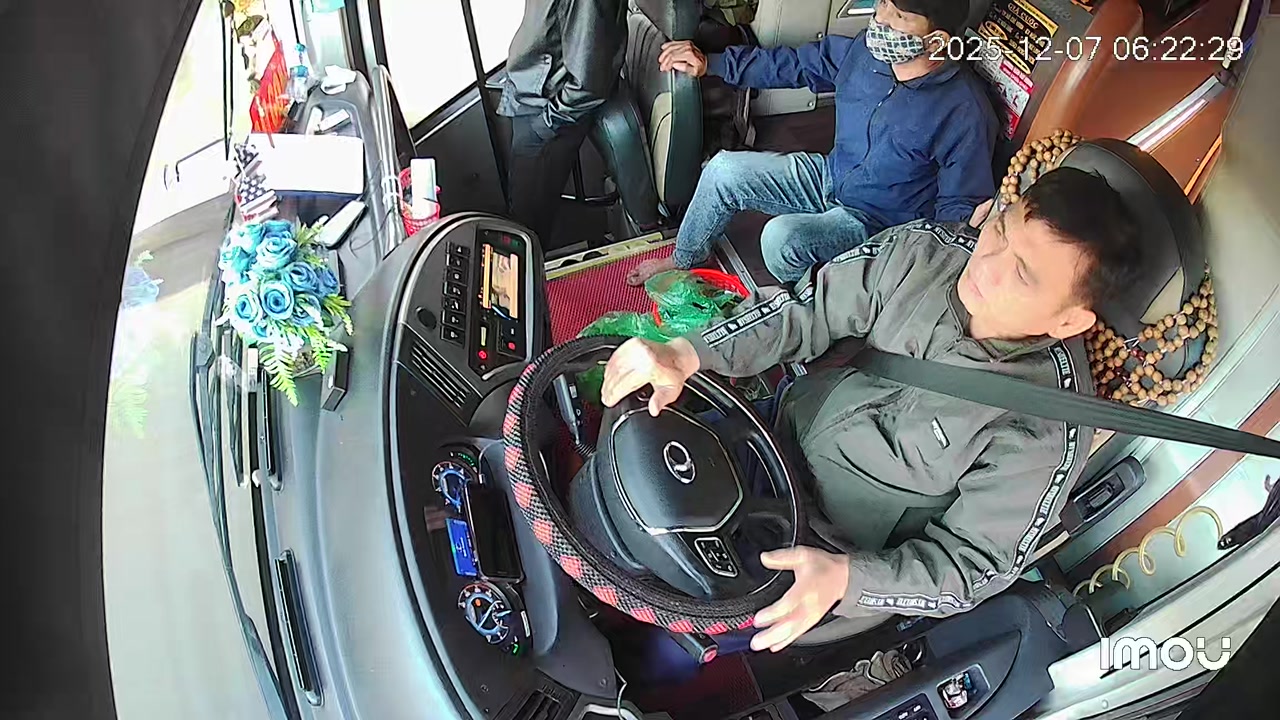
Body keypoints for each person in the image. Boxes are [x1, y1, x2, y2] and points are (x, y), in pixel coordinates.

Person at [602, 167, 1143, 651]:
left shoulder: (1045, 429)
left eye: (1022, 275)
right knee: (622, 483)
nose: (988, 264)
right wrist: (690, 352)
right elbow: (809, 309)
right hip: (768, 433)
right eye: (1001, 230)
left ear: (1068, 322)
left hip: (826, 550)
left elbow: (972, 564)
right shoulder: (925, 252)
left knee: (664, 625)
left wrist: (849, 579)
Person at [627, 0, 998, 286]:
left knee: (782, 239)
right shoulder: (865, 52)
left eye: (899, 16)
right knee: (724, 169)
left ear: (937, 41)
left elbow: (957, 209)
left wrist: (924, 275)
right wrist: (713, 64)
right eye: (884, 3)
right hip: (831, 176)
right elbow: (796, 65)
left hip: (876, 222)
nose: (881, 19)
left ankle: (818, 308)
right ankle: (686, 258)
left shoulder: (964, 111)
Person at [497, 0, 628, 248]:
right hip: (530, 96)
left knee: (526, 231)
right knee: (522, 216)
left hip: (545, 110)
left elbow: (590, 81)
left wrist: (546, 123)